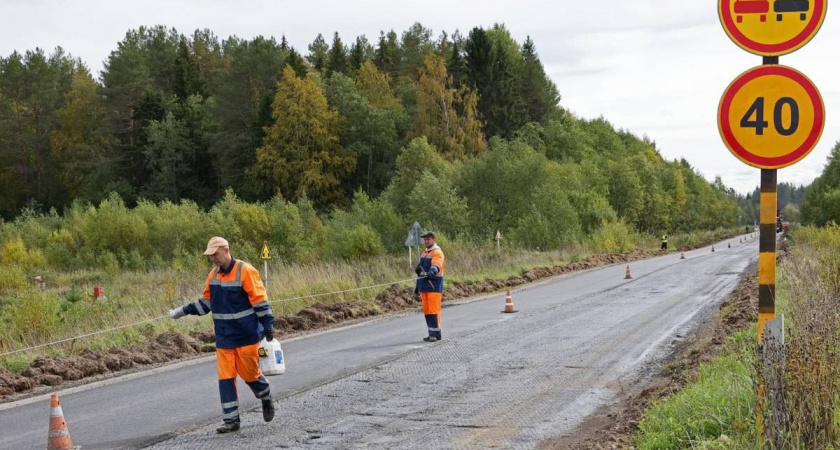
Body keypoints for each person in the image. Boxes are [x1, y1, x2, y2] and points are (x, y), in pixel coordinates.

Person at [169, 237, 276, 433]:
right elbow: (206, 304)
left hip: (247, 335)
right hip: (224, 338)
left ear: (226, 250)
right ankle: (231, 420)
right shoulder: (213, 276)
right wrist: (182, 311)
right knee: (226, 378)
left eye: (215, 255)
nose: (213, 259)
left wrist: (268, 325)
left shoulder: (246, 271)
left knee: (249, 374)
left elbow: (260, 300)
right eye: (210, 256)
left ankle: (266, 396)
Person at [414, 231, 445, 342]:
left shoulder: (437, 252)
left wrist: (431, 272)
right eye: (425, 239)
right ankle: (433, 333)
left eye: (428, 239)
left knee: (433, 310)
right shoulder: (425, 253)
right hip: (424, 286)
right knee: (427, 311)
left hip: (434, 285)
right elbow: (420, 272)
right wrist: (417, 286)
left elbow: (436, 265)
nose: (426, 241)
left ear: (433, 240)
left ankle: (435, 334)